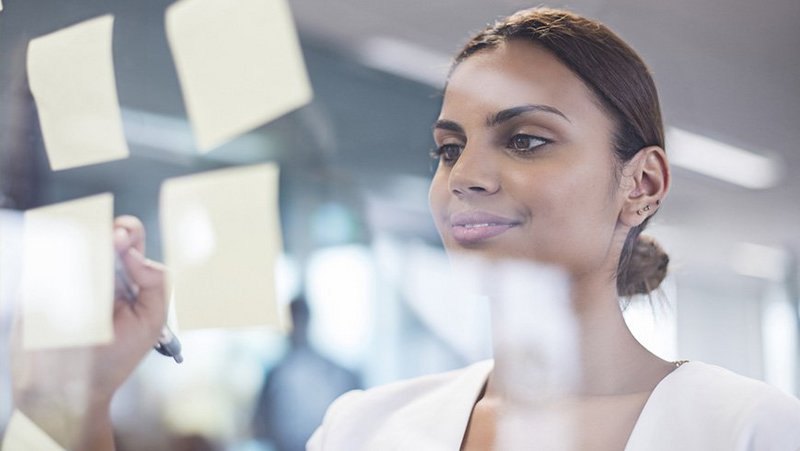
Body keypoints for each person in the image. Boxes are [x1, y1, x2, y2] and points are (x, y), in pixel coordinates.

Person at [9, 6, 800, 451]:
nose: (466, 177)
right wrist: (72, 403)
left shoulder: (743, 426)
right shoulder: (367, 426)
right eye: (447, 149)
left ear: (642, 184)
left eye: (525, 139)